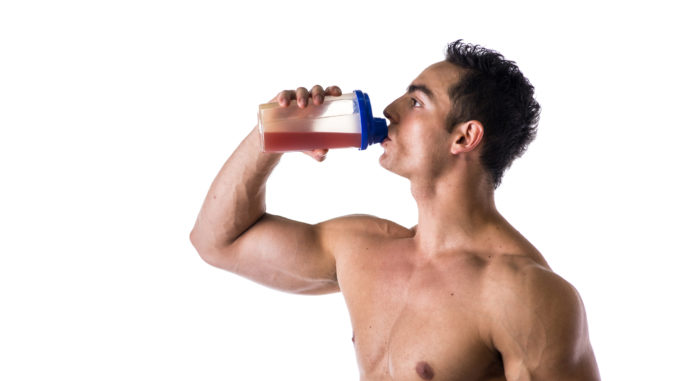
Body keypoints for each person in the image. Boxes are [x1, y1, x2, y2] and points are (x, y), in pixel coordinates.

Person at [190, 40, 600, 380]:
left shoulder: (524, 294)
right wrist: (273, 135)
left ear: (464, 137)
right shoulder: (362, 249)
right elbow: (216, 241)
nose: (390, 110)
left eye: (417, 102)